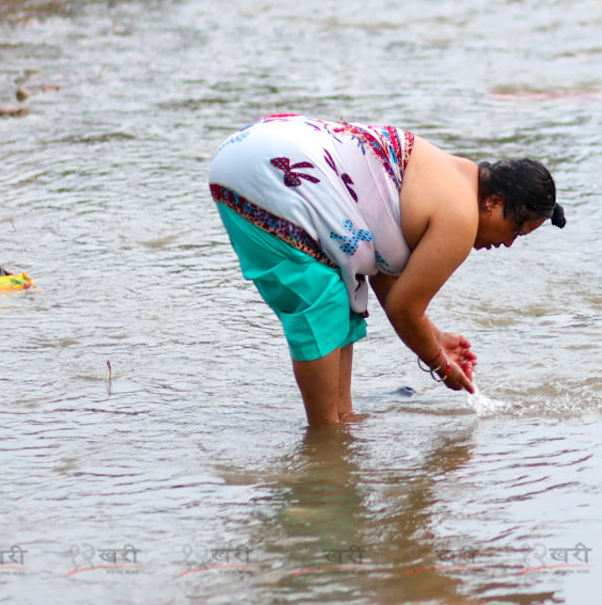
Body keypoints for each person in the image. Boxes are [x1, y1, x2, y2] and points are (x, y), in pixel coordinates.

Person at [209, 115, 565, 426]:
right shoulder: (461, 217)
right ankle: (324, 440)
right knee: (321, 299)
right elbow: (404, 310)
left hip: (259, 147)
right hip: (269, 167)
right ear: (494, 202)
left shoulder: (452, 174)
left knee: (341, 298)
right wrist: (441, 366)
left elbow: (388, 275)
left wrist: (434, 336)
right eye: (516, 230)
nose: (508, 244)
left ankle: (340, 423)